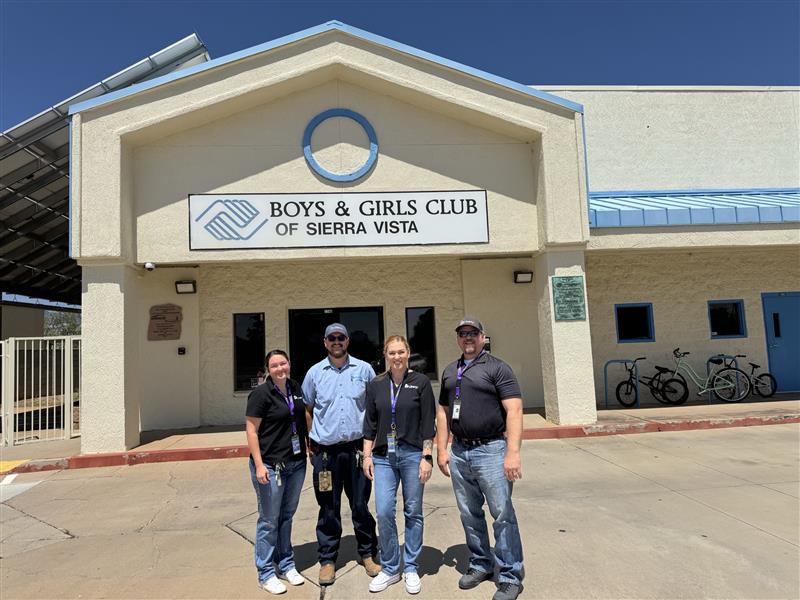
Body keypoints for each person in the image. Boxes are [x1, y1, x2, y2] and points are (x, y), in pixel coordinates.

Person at [435, 318, 525, 600]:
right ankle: (480, 563)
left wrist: (512, 452)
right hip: (460, 451)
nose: (467, 338)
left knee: (502, 515)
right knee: (469, 514)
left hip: (492, 451)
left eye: (473, 333)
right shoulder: (451, 370)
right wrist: (441, 449)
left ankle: (510, 575)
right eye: (462, 334)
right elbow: (443, 412)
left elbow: (515, 410)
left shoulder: (498, 368)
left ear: (483, 337)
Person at [302, 323, 380, 586]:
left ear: (347, 341)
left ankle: (368, 553)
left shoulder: (364, 370)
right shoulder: (314, 373)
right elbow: (308, 409)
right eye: (332, 338)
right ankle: (327, 560)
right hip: (326, 454)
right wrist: (312, 441)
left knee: (360, 504)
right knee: (328, 507)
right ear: (325, 342)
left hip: (357, 449)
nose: (337, 342)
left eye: (341, 338)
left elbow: (373, 407)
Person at [362, 336, 436, 595]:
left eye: (401, 352)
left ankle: (411, 567)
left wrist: (427, 457)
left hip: (413, 454)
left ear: (408, 353)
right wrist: (367, 456)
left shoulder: (421, 383)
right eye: (392, 352)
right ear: (385, 355)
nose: (397, 357)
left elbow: (429, 423)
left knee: (413, 511)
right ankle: (391, 567)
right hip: (383, 457)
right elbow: (369, 424)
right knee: (383, 511)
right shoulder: (376, 385)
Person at [245, 349, 309, 595]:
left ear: (289, 364)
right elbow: (251, 431)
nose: (280, 368)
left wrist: (311, 443)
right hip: (271, 465)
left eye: (283, 363)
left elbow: (303, 416)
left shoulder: (295, 386)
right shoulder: (261, 394)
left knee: (287, 515)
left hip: (296, 462)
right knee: (269, 520)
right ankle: (266, 572)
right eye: (275, 365)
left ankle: (286, 563)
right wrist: (260, 465)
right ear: (268, 369)